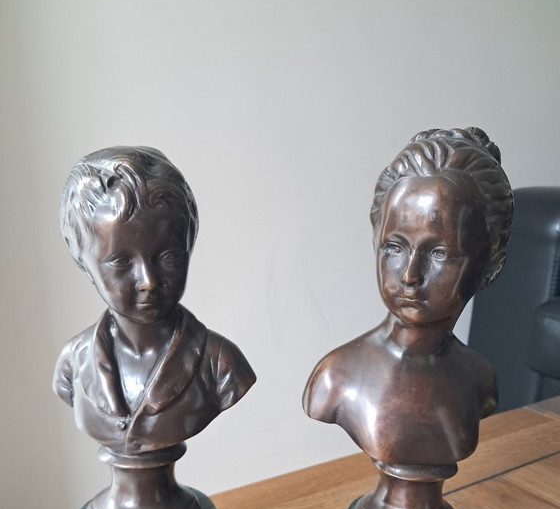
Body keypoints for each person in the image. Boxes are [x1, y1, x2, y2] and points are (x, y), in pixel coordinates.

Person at [303, 127, 513, 468]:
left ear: (490, 266)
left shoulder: (480, 380)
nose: (409, 275)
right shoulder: (336, 376)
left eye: (440, 253)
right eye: (394, 247)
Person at [54, 146, 256, 457]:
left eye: (169, 257)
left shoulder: (221, 365)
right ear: (83, 262)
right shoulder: (73, 363)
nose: (148, 280)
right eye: (121, 261)